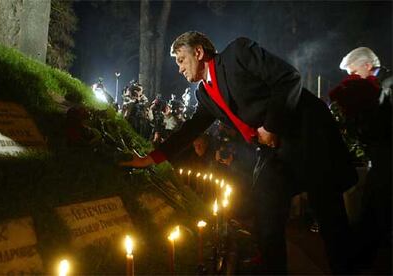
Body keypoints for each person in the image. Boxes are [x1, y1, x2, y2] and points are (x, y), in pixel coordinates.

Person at [120, 31, 358, 274]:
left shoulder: (238, 53)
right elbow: (190, 129)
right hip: (271, 151)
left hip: (307, 133)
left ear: (199, 52)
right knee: (266, 213)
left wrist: (271, 125)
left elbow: (288, 78)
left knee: (329, 214)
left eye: (181, 59)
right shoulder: (204, 94)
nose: (179, 69)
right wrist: (151, 158)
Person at [335, 47, 392, 270]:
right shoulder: (376, 88)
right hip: (380, 160)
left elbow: (381, 129)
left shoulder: (386, 87)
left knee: (374, 211)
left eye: (354, 72)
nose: (352, 78)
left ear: (367, 65)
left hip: (386, 160)